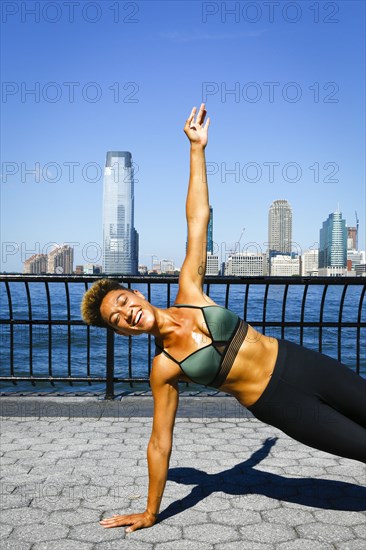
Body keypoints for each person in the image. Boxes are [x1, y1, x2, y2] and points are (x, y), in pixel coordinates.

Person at [81, 103, 366, 533]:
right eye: (116, 319)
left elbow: (198, 218)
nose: (125, 314)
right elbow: (160, 443)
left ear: (135, 292)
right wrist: (151, 510)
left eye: (121, 301)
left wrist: (197, 150)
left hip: (298, 363)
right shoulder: (164, 368)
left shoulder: (190, 291)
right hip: (279, 403)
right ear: (121, 333)